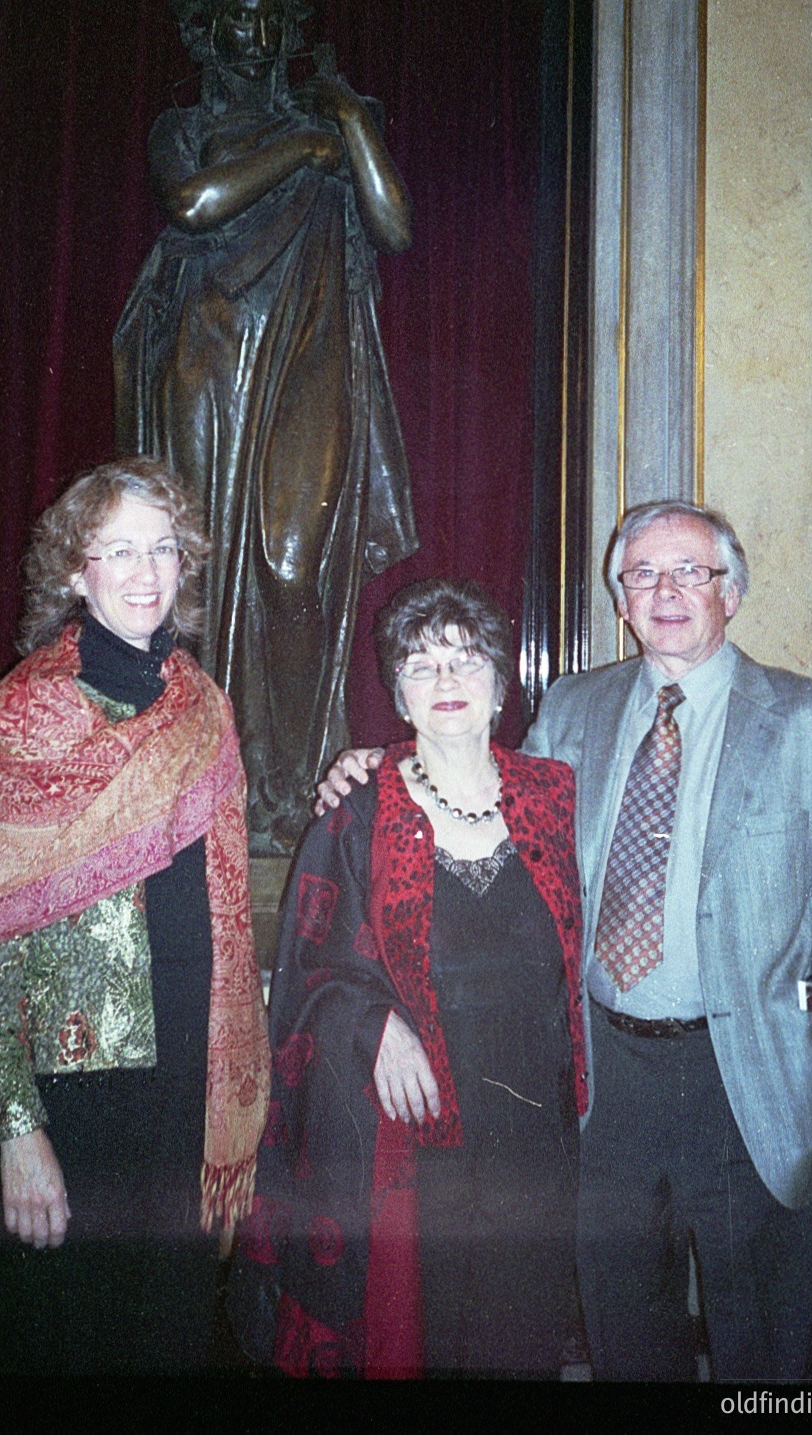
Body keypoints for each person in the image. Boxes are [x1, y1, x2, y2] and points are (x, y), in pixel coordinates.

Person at [318, 501, 812, 1380]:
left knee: (765, 1348)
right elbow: (480, 788)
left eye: (689, 572)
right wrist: (374, 763)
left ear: (731, 591)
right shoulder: (573, 711)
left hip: (752, 1081)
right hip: (602, 1082)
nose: (664, 592)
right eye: (641, 576)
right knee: (628, 1330)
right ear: (620, 601)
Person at [0, 456, 270, 1373]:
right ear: (75, 571)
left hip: (183, 1078)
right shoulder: (22, 715)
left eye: (164, 549)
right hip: (69, 1094)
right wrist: (14, 1131)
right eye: (118, 550)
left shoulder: (202, 704)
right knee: (58, 1340)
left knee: (166, 1336)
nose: (146, 572)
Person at [233, 578, 586, 1378]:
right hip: (413, 1127)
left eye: (466, 661)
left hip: (532, 1131)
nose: (448, 682)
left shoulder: (556, 798)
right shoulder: (354, 812)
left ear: (502, 684)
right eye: (422, 667)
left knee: (519, 1339)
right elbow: (306, 969)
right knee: (423, 1342)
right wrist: (371, 1025)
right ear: (397, 692)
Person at [113, 0, 418, 853]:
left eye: (274, 16)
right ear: (208, 28)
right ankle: (203, 798)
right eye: (241, 14)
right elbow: (196, 205)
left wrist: (346, 119)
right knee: (196, 575)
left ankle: (287, 802)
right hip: (208, 358)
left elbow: (395, 226)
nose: (260, 32)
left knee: (295, 569)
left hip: (310, 357)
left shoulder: (328, 122)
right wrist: (301, 153)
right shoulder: (189, 128)